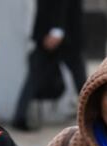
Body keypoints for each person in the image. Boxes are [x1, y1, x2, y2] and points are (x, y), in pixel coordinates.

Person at [11, 0, 88, 131]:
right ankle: (20, 116)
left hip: (58, 32)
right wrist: (57, 31)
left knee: (79, 79)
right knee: (80, 79)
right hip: (58, 34)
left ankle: (20, 116)